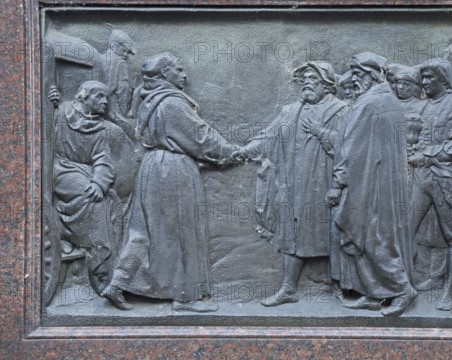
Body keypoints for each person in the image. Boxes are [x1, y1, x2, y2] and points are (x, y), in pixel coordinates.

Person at [102, 52, 245, 312]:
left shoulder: (150, 101)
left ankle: (117, 283)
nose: (184, 74)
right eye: (178, 69)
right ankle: (184, 297)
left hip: (152, 169)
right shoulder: (172, 103)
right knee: (182, 231)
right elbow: (201, 137)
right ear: (164, 74)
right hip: (173, 171)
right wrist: (231, 151)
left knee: (142, 231)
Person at [245, 61, 347, 307]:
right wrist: (241, 151)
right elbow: (267, 136)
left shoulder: (340, 110)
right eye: (306, 80)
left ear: (327, 84)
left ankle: (343, 289)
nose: (308, 84)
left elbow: (348, 147)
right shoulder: (290, 111)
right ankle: (289, 288)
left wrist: (321, 132)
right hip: (292, 185)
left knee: (333, 235)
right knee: (291, 234)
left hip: (324, 185)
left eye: (314, 79)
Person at [327, 52, 416, 317]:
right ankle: (374, 291)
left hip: (367, 184)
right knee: (366, 239)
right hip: (380, 181)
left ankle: (402, 290)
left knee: (373, 238)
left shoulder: (370, 103)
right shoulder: (388, 101)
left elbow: (349, 147)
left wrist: (337, 183)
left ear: (374, 73)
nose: (354, 79)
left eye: (358, 73)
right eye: (352, 73)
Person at [408, 59, 452, 311]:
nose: (424, 82)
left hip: (450, 179)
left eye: (429, 78)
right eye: (423, 77)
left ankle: (450, 291)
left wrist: (426, 155)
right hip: (422, 176)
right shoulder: (426, 107)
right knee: (406, 227)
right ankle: (403, 286)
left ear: (444, 80)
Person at [49, 81, 124, 296]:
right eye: (99, 97)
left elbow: (102, 159)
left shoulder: (99, 129)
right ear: (83, 96)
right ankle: (96, 261)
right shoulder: (62, 112)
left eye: (107, 98)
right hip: (60, 168)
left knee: (108, 198)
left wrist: (99, 182)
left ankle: (108, 263)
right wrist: (49, 102)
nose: (105, 102)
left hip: (85, 172)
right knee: (91, 198)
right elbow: (43, 126)